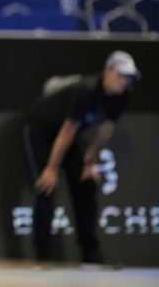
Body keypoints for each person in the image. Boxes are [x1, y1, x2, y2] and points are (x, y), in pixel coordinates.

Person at [22, 50, 140, 264]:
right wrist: (51, 167)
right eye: (121, 75)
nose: (125, 81)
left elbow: (105, 130)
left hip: (68, 135)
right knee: (46, 187)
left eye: (129, 77)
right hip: (41, 129)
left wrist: (89, 162)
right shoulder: (85, 90)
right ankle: (43, 256)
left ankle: (91, 255)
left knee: (85, 185)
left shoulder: (122, 95)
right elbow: (67, 129)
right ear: (108, 71)